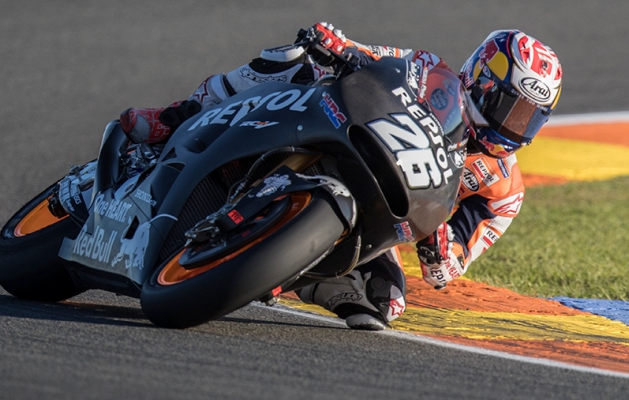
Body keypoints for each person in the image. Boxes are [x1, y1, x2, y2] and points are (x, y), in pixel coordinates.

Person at [120, 23, 562, 330]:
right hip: (342, 136)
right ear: (482, 78)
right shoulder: (431, 70)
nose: (513, 125)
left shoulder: (504, 191)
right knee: (295, 59)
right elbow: (373, 57)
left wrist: (436, 240)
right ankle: (177, 117)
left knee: (385, 302)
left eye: (528, 118)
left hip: (381, 213)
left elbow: (447, 270)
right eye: (509, 107)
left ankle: (270, 266)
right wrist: (337, 44)